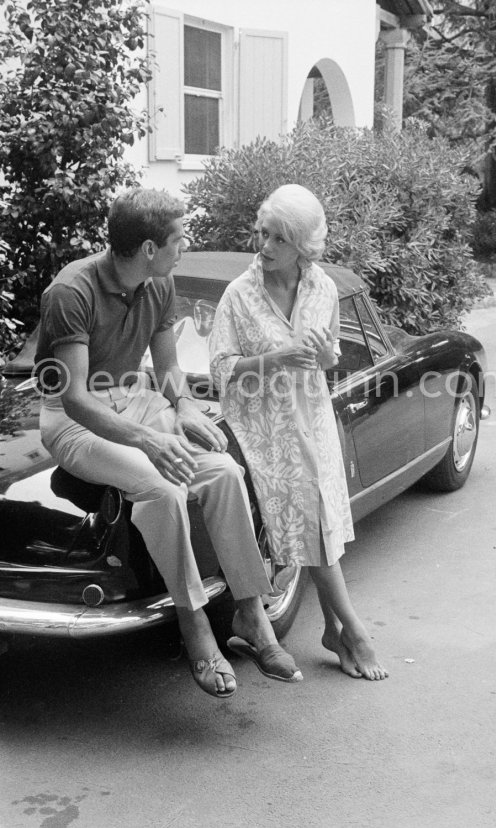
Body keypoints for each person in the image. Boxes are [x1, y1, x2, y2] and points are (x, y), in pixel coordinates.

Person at [35, 187, 302, 699]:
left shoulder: (159, 283)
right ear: (149, 248)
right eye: (179, 239)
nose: (186, 246)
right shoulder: (71, 291)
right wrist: (147, 443)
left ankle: (250, 612)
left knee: (223, 471)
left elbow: (169, 369)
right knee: (162, 489)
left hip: (133, 400)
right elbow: (72, 401)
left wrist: (182, 407)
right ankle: (194, 623)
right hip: (72, 419)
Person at [210, 184, 388, 681]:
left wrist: (325, 355)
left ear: (302, 246)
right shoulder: (239, 296)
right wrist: (279, 358)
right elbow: (222, 370)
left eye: (277, 239)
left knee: (324, 518)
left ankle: (337, 629)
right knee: (312, 518)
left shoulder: (323, 288)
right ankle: (353, 630)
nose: (263, 246)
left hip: (313, 418)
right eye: (262, 233)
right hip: (265, 430)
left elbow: (330, 354)